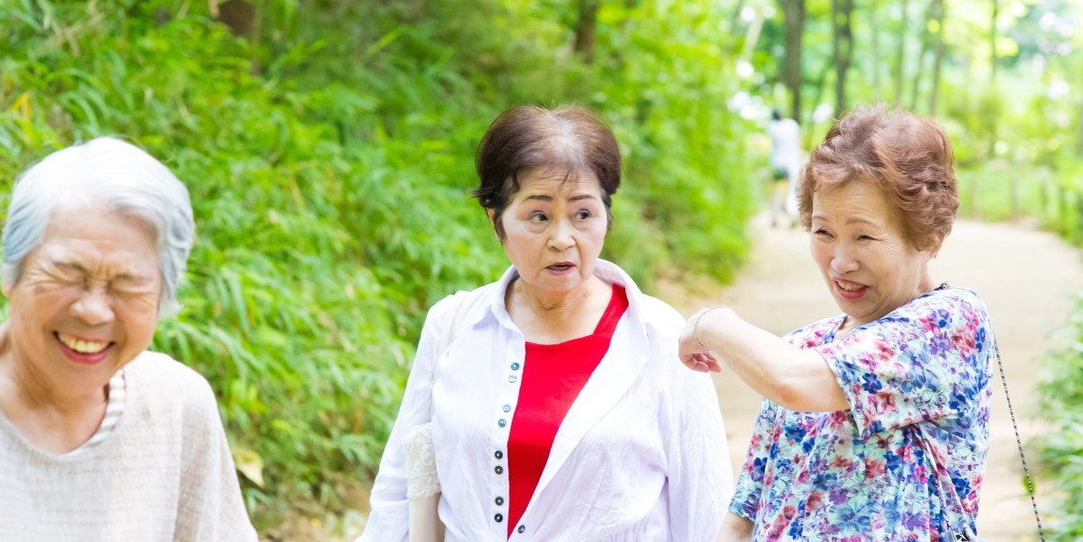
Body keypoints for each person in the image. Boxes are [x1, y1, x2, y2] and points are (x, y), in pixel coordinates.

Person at [0, 138, 259, 541]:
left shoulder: (177, 407)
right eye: (68, 273)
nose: (93, 310)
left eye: (127, 285)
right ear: (11, 272)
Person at [360, 105, 731, 541]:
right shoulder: (453, 325)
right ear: (496, 221)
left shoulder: (660, 335)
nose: (562, 238)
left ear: (606, 219)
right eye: (538, 216)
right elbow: (400, 487)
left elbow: (706, 506)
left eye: (583, 214)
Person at [679, 105, 993, 541]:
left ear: (929, 237)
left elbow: (793, 382)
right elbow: (743, 517)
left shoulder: (949, 324)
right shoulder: (802, 347)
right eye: (824, 233)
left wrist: (710, 322)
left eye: (864, 236)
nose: (840, 263)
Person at [767, 109, 801, 227]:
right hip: (792, 163)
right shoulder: (792, 125)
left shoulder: (771, 126)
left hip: (776, 163)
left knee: (775, 190)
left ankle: (774, 217)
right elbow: (798, 142)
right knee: (791, 191)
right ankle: (792, 216)